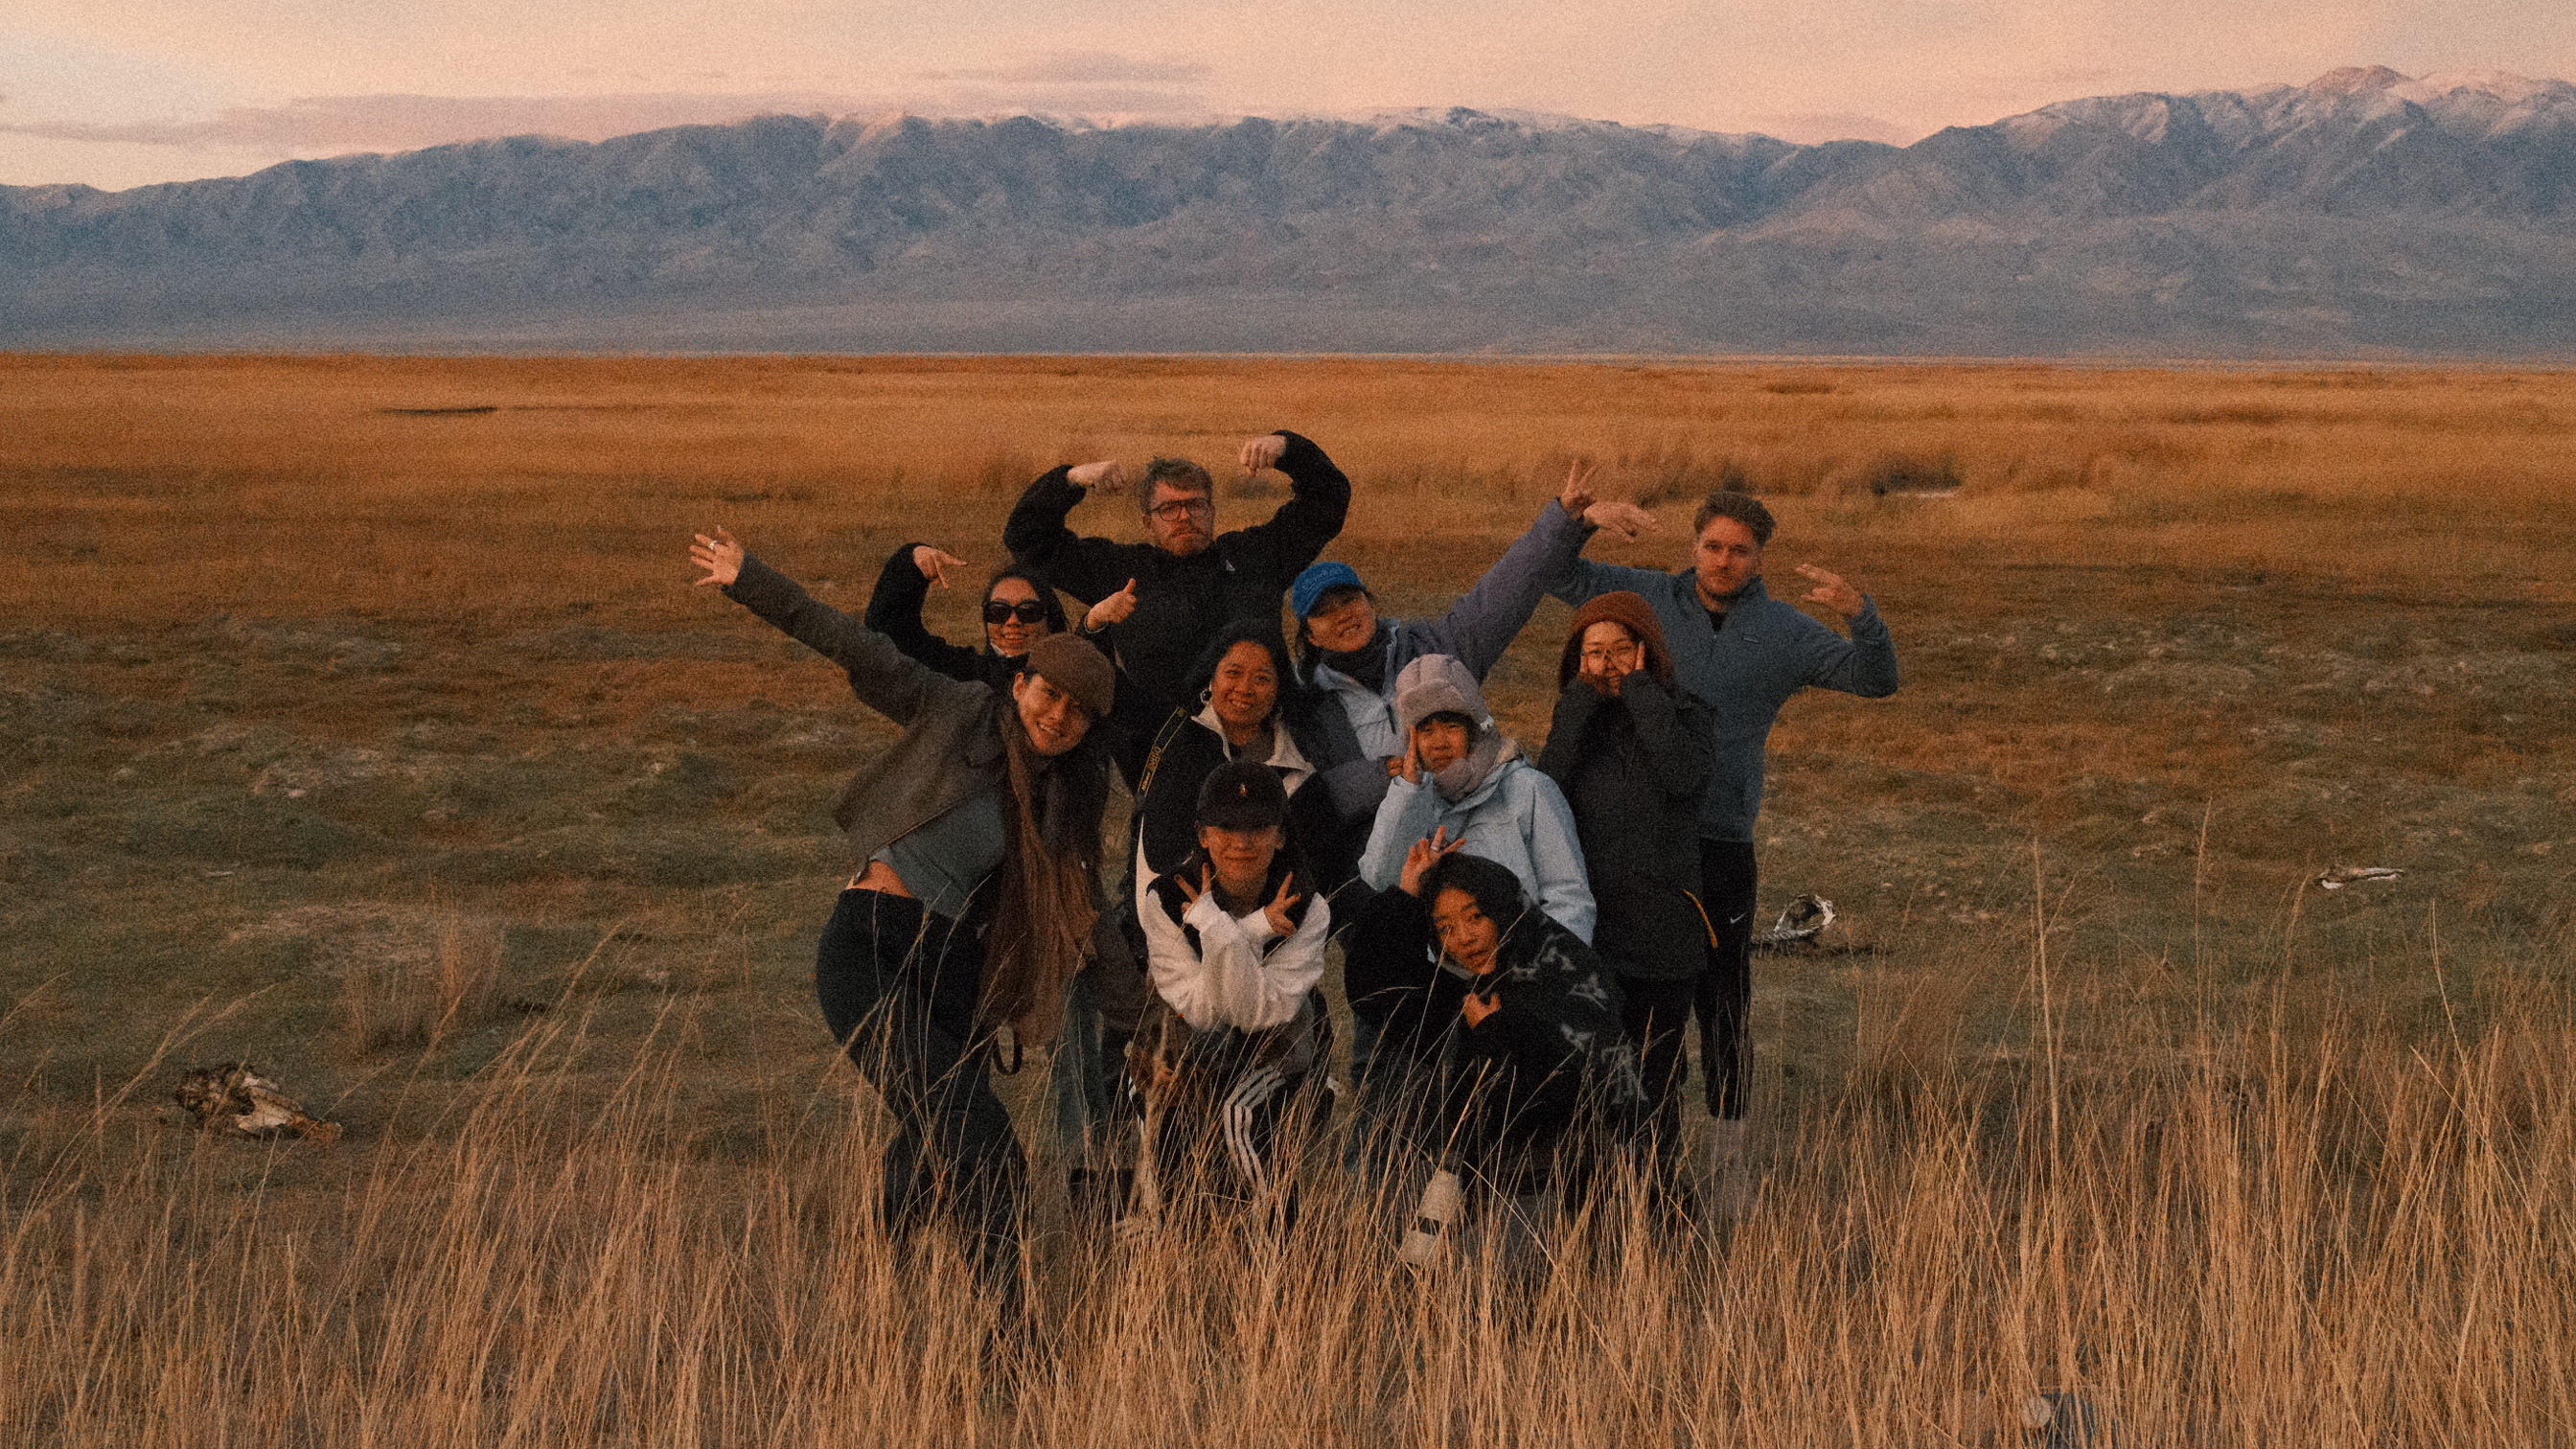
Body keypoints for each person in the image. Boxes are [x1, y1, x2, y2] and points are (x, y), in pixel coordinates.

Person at [688, 524, 1139, 1298]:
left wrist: (1153, 1020)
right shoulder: (957, 710)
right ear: (1022, 684)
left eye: (1078, 712)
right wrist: (749, 579)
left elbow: (1088, 918)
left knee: (940, 1141)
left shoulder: (1061, 805)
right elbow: (858, 648)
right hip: (873, 947)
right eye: (1050, 694)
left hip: (954, 977)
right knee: (983, 1142)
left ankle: (883, 1274)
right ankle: (1010, 1331)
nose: (1058, 716)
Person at [1543, 488, 1899, 1211]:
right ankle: (1610, 1155)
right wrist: (1576, 524)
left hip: (1719, 839)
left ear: (1759, 557)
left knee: (1724, 1001)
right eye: (1712, 546)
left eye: (1740, 550)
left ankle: (1730, 1156)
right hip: (1631, 843)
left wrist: (1861, 615)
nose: (1723, 561)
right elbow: (1557, 576)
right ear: (1694, 545)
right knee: (1622, 995)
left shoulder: (1784, 631)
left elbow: (1875, 679)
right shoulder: (1646, 599)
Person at [1288, 463, 1649, 896]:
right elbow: (1309, 797)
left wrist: (1566, 520)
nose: (1343, 615)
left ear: (1370, 601)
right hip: (1378, 874)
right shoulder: (1305, 702)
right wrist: (1384, 775)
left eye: (1350, 600)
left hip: (1466, 849)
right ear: (1309, 634)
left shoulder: (1435, 653)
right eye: (1323, 612)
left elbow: (1503, 595)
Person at [1344, 653, 1594, 1174]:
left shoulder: (1527, 790)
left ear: (1475, 725)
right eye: (1424, 729)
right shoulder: (1415, 796)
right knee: (1419, 1121)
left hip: (1520, 984)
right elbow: (1380, 880)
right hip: (1441, 992)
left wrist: (1541, 985)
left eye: (1449, 725)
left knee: (1511, 1129)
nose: (1438, 741)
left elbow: (1569, 895)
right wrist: (1407, 791)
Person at [1343, 850, 1643, 1266]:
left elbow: (1559, 1101)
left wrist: (1493, 1035)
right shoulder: (1476, 992)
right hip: (1472, 1181)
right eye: (1445, 928)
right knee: (1410, 1265)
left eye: (1475, 917)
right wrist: (1406, 894)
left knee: (1475, 1281)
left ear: (1505, 911)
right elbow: (1373, 989)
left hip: (1561, 1184)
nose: (1464, 938)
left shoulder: (1567, 978)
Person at [1535, 592, 1715, 1212]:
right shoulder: (1576, 719)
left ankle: (1656, 1209)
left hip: (1665, 932)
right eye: (1594, 652)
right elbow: (1545, 795)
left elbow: (1683, 777)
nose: (1607, 664)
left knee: (1656, 1077)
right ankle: (1589, 1212)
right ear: (1576, 659)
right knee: (1587, 1078)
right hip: (1592, 935)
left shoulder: (1688, 714)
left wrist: (1641, 694)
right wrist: (1577, 706)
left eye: (1620, 649)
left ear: (1646, 650)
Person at [1001, 431, 1351, 735]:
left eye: (1195, 505)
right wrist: (1071, 479)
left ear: (1212, 511)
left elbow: (1328, 500)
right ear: (1147, 522)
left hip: (1265, 736)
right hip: (1163, 744)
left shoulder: (1255, 557)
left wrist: (1287, 448)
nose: (1184, 517)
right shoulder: (1122, 571)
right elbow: (1027, 539)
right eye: (1168, 509)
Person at [1124, 761, 1332, 1225]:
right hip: (1193, 1044)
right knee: (1150, 1101)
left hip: (1277, 1048)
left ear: (1280, 837)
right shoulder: (1163, 900)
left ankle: (1276, 1245)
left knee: (1240, 1115)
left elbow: (1256, 1013)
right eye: (1226, 827)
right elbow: (1200, 1012)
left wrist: (1215, 926)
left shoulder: (1309, 908)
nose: (1241, 842)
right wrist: (1254, 929)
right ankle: (1168, 1233)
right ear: (1203, 835)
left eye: (1258, 828)